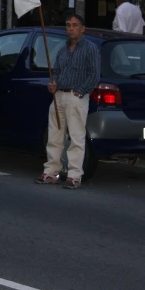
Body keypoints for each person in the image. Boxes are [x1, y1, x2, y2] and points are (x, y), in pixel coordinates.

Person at [35, 14, 101, 189]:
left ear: (82, 28)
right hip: (59, 96)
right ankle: (51, 171)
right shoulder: (63, 49)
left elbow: (94, 74)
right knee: (54, 136)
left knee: (76, 137)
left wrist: (81, 92)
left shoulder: (90, 48)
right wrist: (54, 83)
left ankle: (74, 175)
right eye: (68, 25)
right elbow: (57, 71)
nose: (71, 28)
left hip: (76, 96)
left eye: (75, 25)